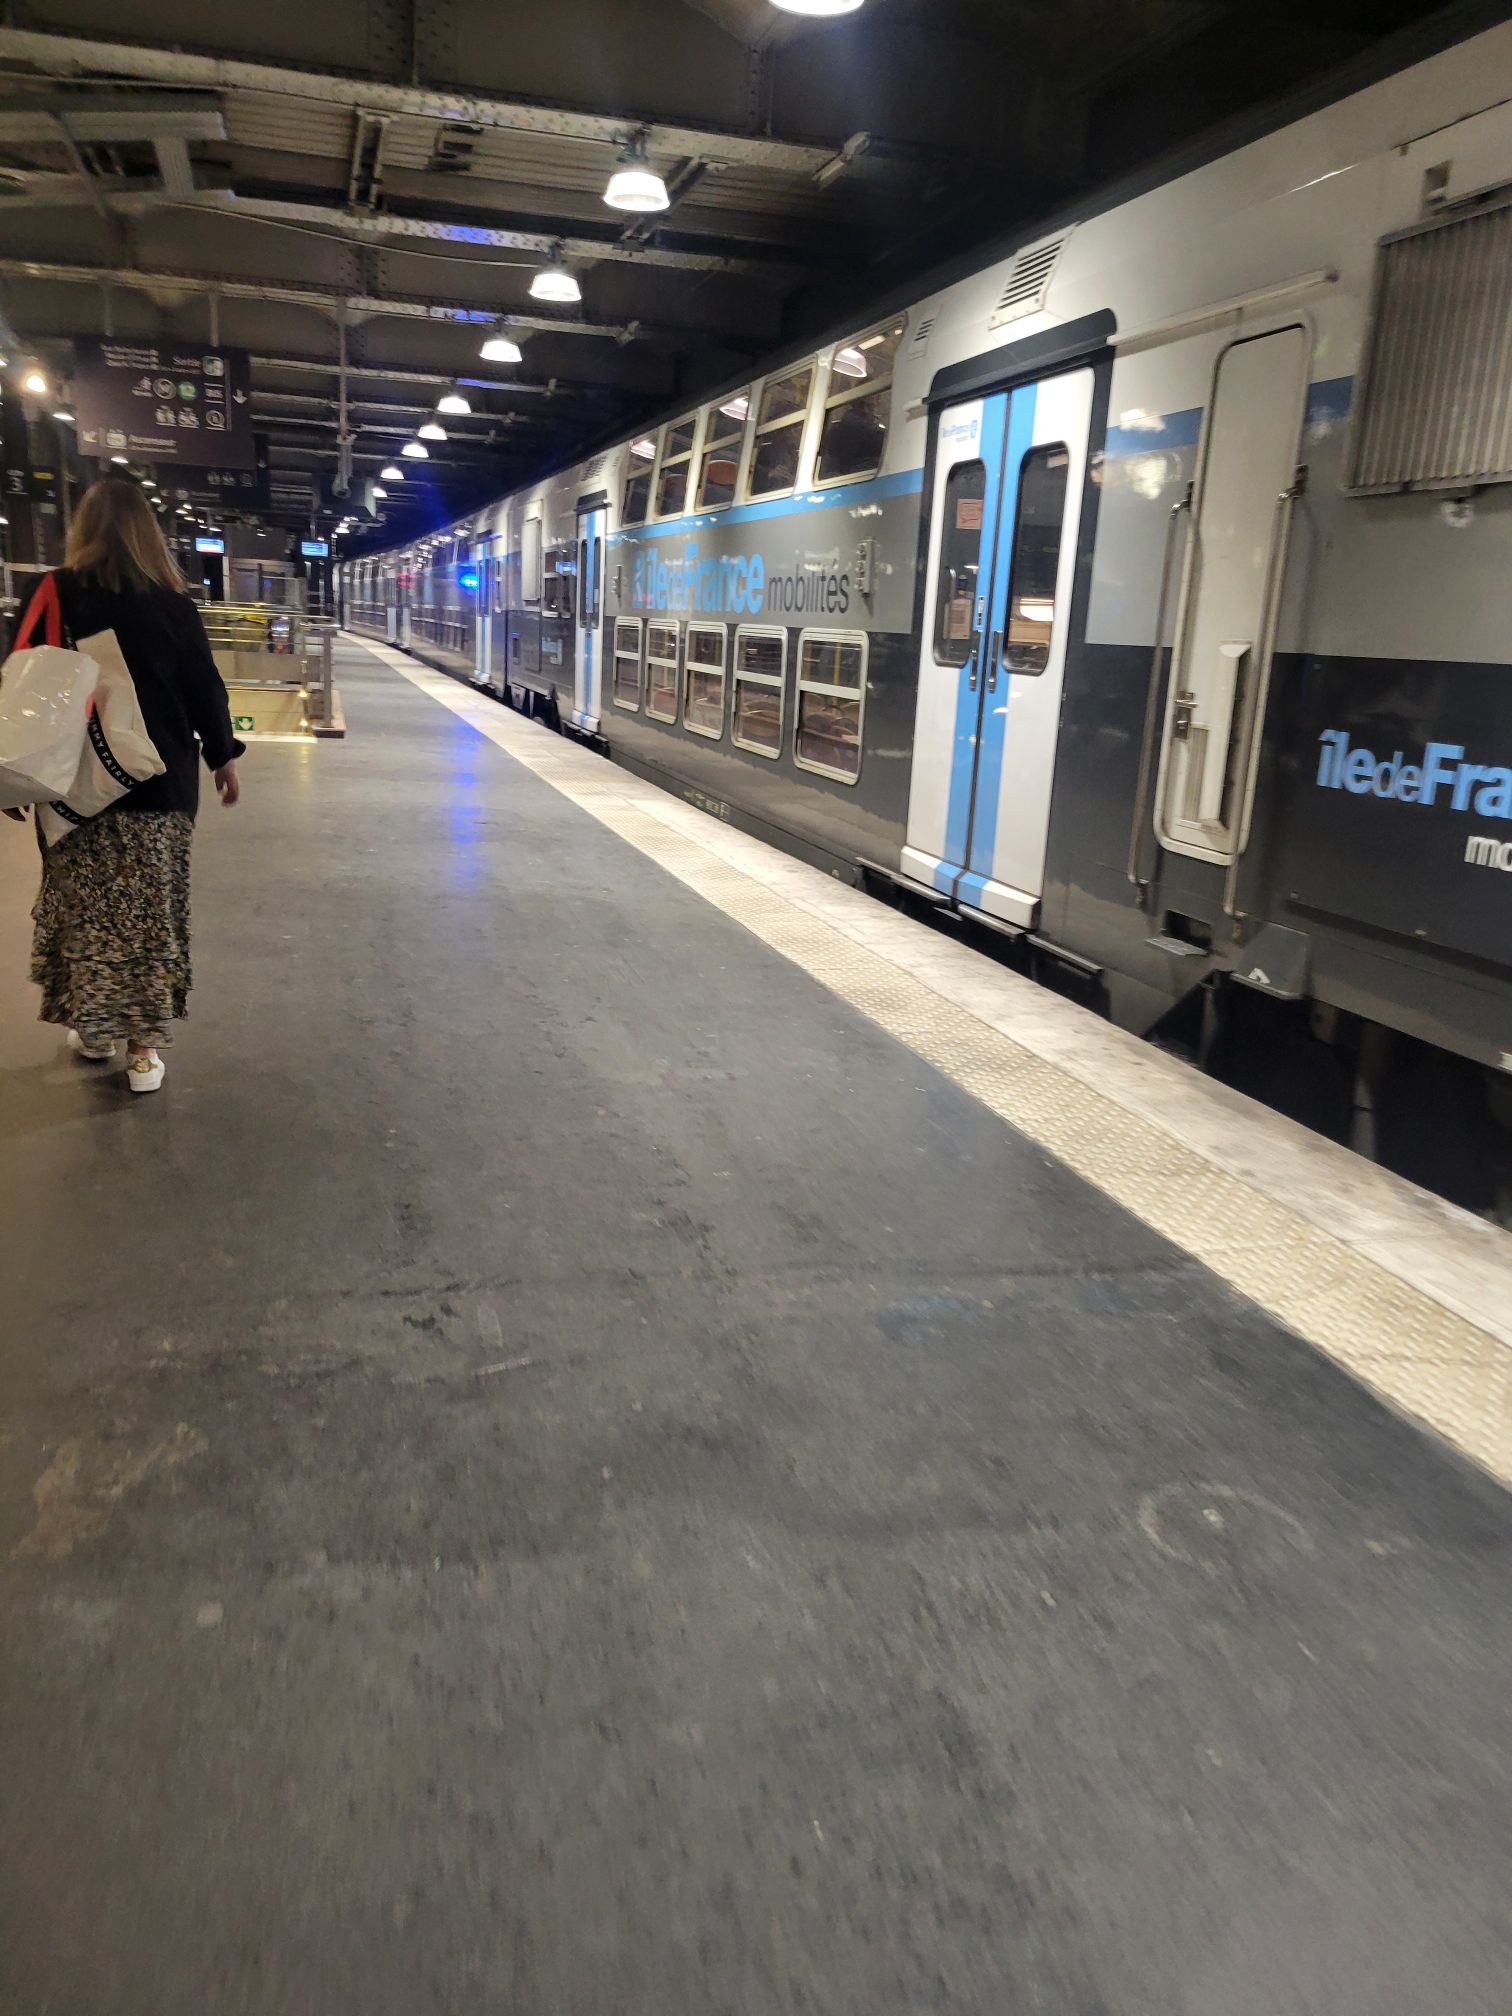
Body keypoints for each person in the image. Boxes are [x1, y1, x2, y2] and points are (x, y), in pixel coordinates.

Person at [3, 477, 244, 1093]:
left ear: (82, 529)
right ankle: (142, 1054)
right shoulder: (173, 606)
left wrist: (14, 774)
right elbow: (205, 688)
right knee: (150, 918)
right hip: (157, 784)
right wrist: (223, 757)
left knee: (88, 916)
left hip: (70, 785)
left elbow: (19, 688)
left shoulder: (50, 592)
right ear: (148, 535)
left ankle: (96, 1032)